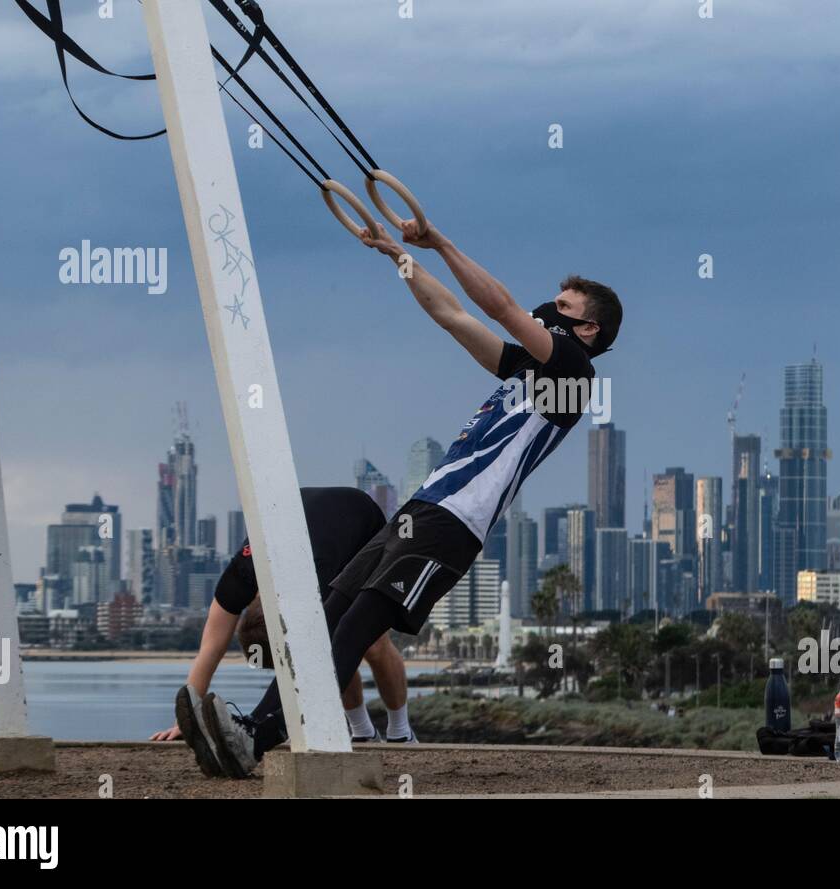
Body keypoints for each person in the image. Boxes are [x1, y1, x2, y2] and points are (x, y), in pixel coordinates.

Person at [200, 216, 622, 777]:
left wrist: (443, 241)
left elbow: (500, 307)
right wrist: (396, 254)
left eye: (562, 307)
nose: (548, 309)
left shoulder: (572, 371)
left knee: (353, 630)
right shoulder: (525, 365)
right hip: (418, 508)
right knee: (325, 620)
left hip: (454, 524)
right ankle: (252, 729)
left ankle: (259, 738)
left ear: (588, 330)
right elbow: (450, 314)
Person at [153, 487, 416, 777]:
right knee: (332, 643)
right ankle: (363, 730)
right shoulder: (242, 575)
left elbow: (324, 650)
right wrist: (185, 718)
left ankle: (401, 730)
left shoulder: (319, 583)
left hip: (361, 523)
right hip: (308, 518)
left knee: (371, 643)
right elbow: (210, 647)